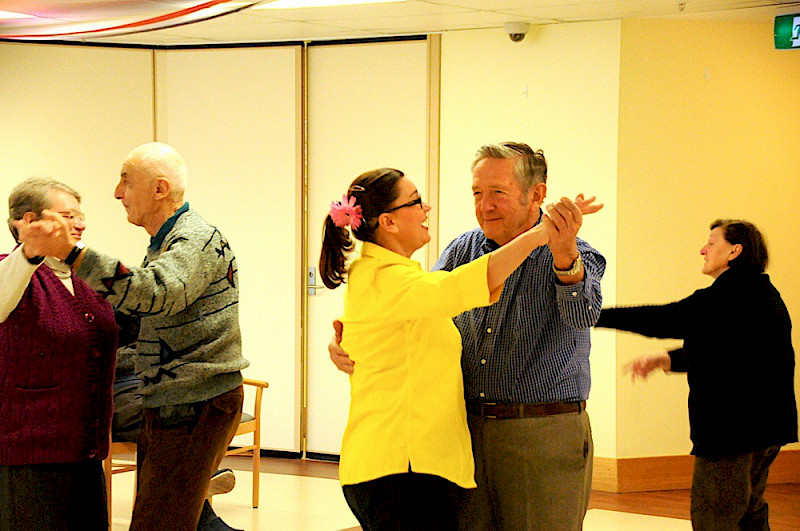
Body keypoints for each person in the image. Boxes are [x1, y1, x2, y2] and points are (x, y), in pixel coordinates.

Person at [330, 143, 606, 530]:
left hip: (539, 434)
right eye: (477, 193)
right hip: (465, 433)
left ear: (537, 194)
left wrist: (564, 259)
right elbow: (424, 301)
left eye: (498, 193)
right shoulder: (462, 251)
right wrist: (350, 336)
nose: (484, 205)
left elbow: (583, 314)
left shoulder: (575, 253)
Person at [50, 142, 249, 531]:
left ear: (159, 189)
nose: (117, 192)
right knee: (175, 517)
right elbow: (144, 325)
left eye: (126, 180)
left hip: (195, 402)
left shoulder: (193, 239)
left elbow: (158, 293)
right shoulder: (165, 242)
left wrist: (74, 255)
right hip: (176, 401)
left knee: (158, 523)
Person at [595, 219, 798, 530]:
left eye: (712, 243)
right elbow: (733, 351)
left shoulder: (727, 295)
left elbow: (661, 319)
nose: (703, 250)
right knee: (748, 514)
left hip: (733, 432)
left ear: (735, 251)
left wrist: (590, 314)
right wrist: (668, 359)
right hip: (766, 429)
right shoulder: (761, 292)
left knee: (714, 519)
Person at [0, 177, 117, 530]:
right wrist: (29, 252)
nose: (79, 224)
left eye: (81, 215)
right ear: (29, 220)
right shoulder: (11, 269)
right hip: (29, 451)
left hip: (85, 446)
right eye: (68, 215)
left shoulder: (84, 275)